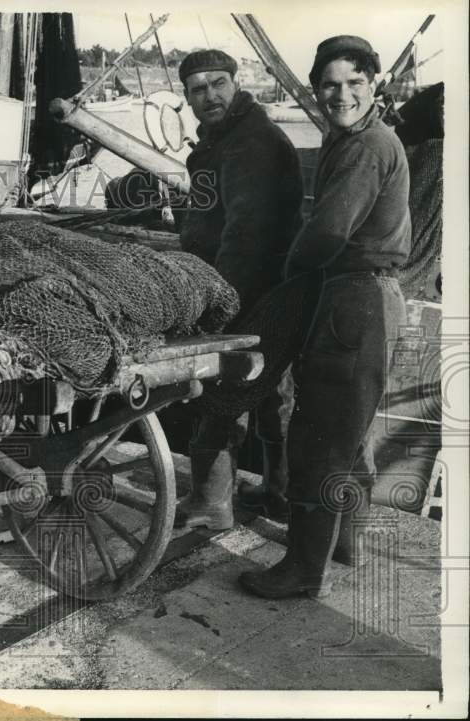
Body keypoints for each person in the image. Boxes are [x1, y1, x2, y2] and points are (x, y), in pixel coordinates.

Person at [240, 36, 410, 598]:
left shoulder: (365, 147)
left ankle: (301, 571)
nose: (341, 95)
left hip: (353, 300)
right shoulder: (356, 139)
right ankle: (343, 544)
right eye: (330, 85)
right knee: (349, 433)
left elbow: (329, 233)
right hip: (369, 298)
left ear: (373, 85)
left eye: (353, 84)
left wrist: (286, 275)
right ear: (316, 90)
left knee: (317, 437)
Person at [172, 49, 304, 530]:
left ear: (237, 83)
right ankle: (278, 493)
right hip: (271, 288)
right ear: (187, 97)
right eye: (198, 88)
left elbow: (245, 236)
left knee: (221, 391)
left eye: (218, 83)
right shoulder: (230, 138)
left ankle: (211, 503)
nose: (210, 95)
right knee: (270, 395)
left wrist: (221, 308)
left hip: (252, 289)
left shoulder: (249, 143)